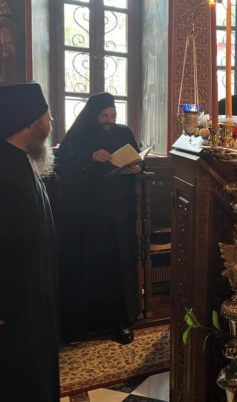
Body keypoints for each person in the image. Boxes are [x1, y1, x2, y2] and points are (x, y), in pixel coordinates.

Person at [55, 92, 141, 345]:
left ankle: (121, 321)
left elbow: (137, 158)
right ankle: (81, 324)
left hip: (119, 211)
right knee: (87, 263)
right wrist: (89, 157)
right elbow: (62, 162)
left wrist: (137, 167)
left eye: (113, 115)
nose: (109, 120)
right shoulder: (79, 134)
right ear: (94, 115)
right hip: (87, 212)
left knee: (118, 265)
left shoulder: (123, 132)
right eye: (104, 115)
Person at [0, 82, 60, 401]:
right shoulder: (5, 171)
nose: (51, 124)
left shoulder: (20, 161)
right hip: (14, 308)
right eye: (48, 117)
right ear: (30, 123)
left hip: (33, 297)